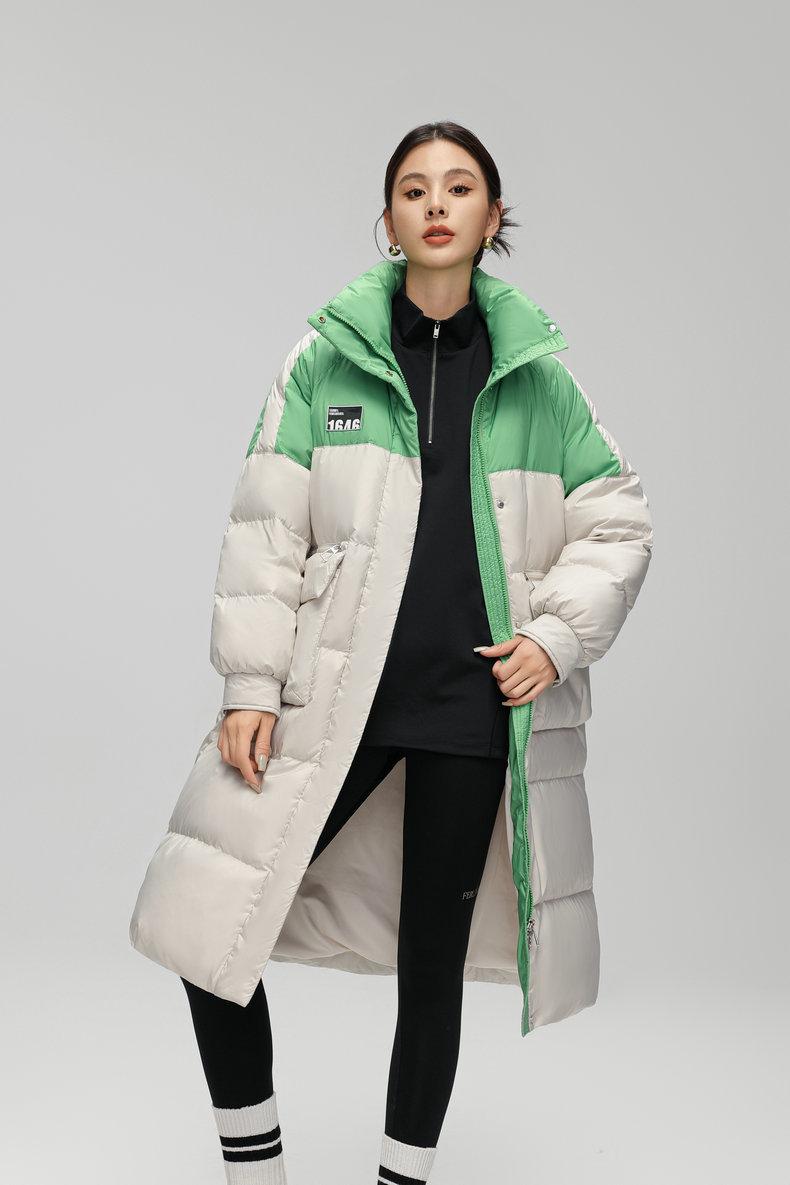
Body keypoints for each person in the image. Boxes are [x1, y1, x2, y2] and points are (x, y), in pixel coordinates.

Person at [129, 121, 654, 1185]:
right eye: (414, 189)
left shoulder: (540, 381)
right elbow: (267, 529)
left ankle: (400, 1177)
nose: (436, 204)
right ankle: (255, 1170)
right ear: (388, 219)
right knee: (208, 920)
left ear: (493, 218)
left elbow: (619, 520)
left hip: (470, 705)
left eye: (459, 187)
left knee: (431, 968)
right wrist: (249, 681)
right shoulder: (324, 359)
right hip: (334, 697)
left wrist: (553, 636)